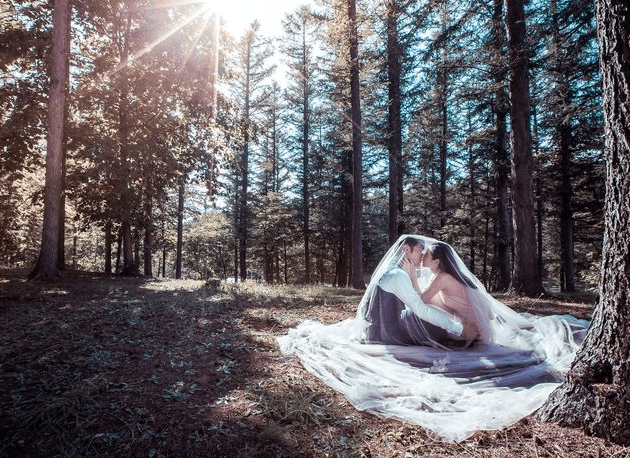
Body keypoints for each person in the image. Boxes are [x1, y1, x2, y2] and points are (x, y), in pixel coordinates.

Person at [279, 234, 590, 441]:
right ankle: (460, 336)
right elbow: (421, 307)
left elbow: (422, 302)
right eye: (418, 251)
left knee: (422, 316)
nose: (422, 254)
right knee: (420, 316)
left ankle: (461, 336)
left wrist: (456, 323)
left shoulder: (413, 274)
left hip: (385, 326)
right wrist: (457, 328)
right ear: (407, 251)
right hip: (383, 330)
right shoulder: (402, 275)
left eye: (425, 253)